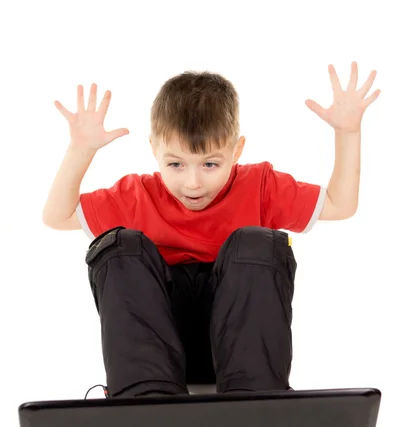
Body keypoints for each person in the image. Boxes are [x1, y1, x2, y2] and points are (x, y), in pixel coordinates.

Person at [42, 63, 380, 398]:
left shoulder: (259, 186)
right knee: (120, 247)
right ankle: (144, 402)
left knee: (256, 242)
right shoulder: (137, 194)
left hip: (242, 349)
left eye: (210, 164)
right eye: (175, 164)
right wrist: (81, 150)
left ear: (236, 151)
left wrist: (347, 132)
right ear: (154, 150)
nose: (192, 183)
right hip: (153, 351)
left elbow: (340, 204)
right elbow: (58, 216)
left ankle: (256, 398)